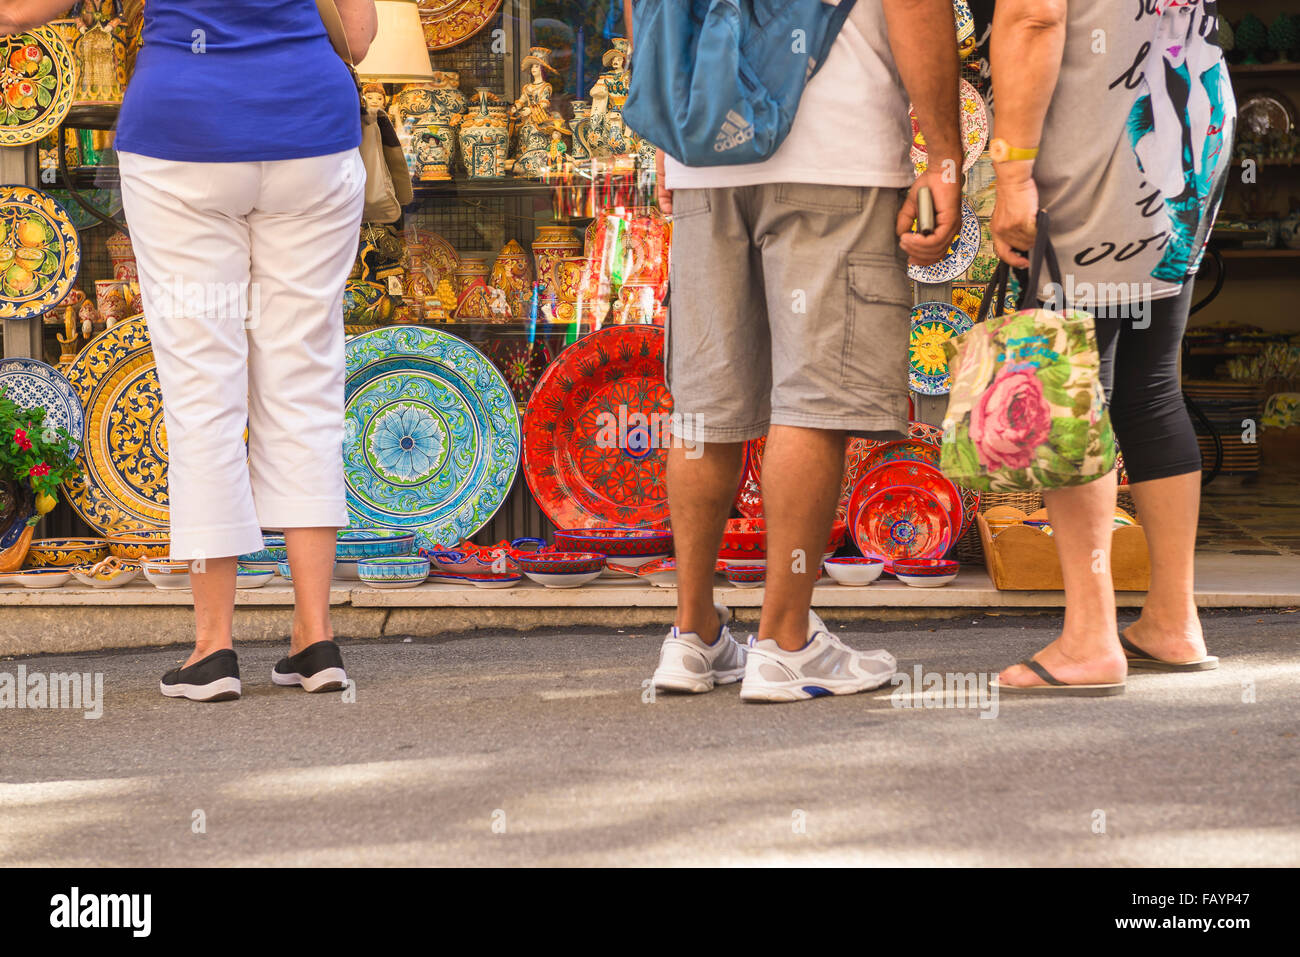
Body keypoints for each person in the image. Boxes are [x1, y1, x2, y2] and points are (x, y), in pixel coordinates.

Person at [2, 0, 378, 701]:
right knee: (305, 380)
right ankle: (316, 637)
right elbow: (357, 35)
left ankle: (213, 649)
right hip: (311, 135)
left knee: (202, 386)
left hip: (183, 133)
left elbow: (32, 7)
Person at [643, 0, 965, 702]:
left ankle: (692, 632)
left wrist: (668, 140)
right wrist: (944, 153)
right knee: (815, 397)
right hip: (835, 149)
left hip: (706, 150)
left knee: (705, 404)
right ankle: (785, 642)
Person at [988, 0, 1234, 694]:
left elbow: (1034, 17)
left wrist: (1010, 175)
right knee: (1149, 382)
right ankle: (1172, 619)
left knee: (1073, 383)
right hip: (1192, 122)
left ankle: (1091, 636)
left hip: (1106, 143)